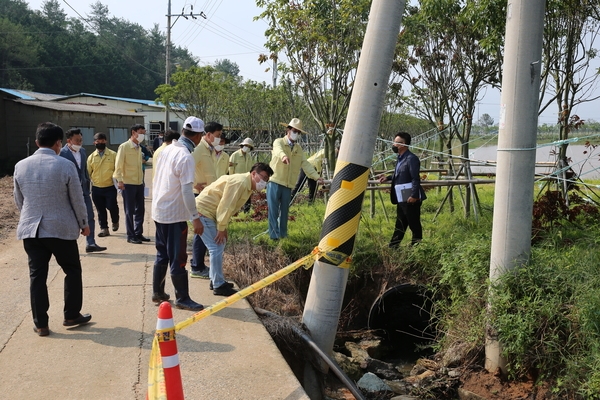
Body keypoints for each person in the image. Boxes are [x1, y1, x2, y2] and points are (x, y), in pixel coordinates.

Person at [13, 122, 92, 337]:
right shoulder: (65, 166)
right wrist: (84, 223)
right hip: (60, 228)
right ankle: (71, 314)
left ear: (37, 142)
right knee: (72, 270)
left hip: (31, 230)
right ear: (58, 143)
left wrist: (30, 216)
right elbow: (77, 199)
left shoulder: (20, 166)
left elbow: (19, 200)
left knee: (37, 276)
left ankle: (41, 324)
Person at [152, 116, 205, 311]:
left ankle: (158, 292)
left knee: (162, 254)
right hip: (174, 214)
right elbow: (186, 191)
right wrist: (195, 217)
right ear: (198, 136)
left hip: (160, 210)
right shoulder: (185, 156)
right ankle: (182, 298)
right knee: (178, 258)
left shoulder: (168, 149)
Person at [196, 162, 273, 296]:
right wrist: (221, 228)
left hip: (210, 212)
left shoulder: (247, 185)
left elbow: (228, 208)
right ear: (254, 174)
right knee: (216, 246)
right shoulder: (241, 183)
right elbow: (225, 206)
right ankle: (218, 285)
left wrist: (223, 226)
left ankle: (215, 280)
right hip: (204, 211)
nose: (264, 183)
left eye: (267, 180)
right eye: (264, 178)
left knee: (219, 245)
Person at [267, 118, 323, 240]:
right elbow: (278, 151)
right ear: (288, 130)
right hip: (275, 181)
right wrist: (283, 156)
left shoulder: (298, 149)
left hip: (288, 185)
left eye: (298, 132)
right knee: (273, 211)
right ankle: (274, 236)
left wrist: (316, 177)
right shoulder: (279, 142)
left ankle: (283, 235)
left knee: (285, 212)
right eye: (294, 130)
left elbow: (306, 164)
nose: (296, 133)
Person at [59, 128, 107, 253]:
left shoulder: (83, 151)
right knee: (70, 219)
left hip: (83, 191)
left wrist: (86, 181)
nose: (80, 143)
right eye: (77, 140)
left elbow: (84, 170)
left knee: (89, 216)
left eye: (81, 140)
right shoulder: (61, 153)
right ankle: (69, 245)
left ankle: (90, 243)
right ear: (69, 140)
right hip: (68, 192)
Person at [378, 132, 427, 247]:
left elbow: (415, 178)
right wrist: (387, 178)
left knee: (414, 224)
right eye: (394, 142)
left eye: (397, 143)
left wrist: (414, 195)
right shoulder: (400, 158)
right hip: (401, 198)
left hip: (410, 198)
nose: (394, 145)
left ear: (404, 144)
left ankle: (417, 247)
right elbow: (400, 174)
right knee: (400, 224)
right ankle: (393, 247)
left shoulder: (411, 159)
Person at [189, 121, 223, 279]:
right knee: (200, 231)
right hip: (199, 195)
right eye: (217, 136)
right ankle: (197, 266)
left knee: (202, 233)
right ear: (207, 135)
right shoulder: (199, 149)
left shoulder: (209, 150)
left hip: (209, 196)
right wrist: (195, 184)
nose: (219, 139)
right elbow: (187, 166)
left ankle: (198, 263)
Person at [114, 124, 150, 244]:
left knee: (140, 210)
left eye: (144, 133)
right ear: (133, 133)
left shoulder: (139, 148)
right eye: (141, 132)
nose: (142, 135)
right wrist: (119, 180)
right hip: (128, 184)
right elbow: (118, 165)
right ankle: (131, 235)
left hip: (139, 182)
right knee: (129, 211)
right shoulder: (124, 147)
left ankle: (138, 233)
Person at [87, 132, 120, 238]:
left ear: (105, 141)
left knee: (111, 206)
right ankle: (104, 229)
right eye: (97, 141)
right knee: (100, 210)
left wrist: (119, 181)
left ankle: (115, 220)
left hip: (110, 186)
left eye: (102, 141)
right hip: (96, 188)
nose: (100, 143)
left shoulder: (113, 155)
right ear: (94, 143)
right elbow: (88, 173)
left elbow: (118, 170)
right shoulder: (91, 157)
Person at [229, 138, 255, 212]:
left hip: (247, 180)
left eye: (249, 147)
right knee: (236, 197)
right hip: (237, 180)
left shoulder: (249, 157)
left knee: (247, 197)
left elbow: (250, 169)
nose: (247, 148)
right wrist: (231, 180)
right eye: (246, 145)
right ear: (242, 145)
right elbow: (231, 168)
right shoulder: (235, 155)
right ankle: (234, 212)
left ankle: (246, 212)